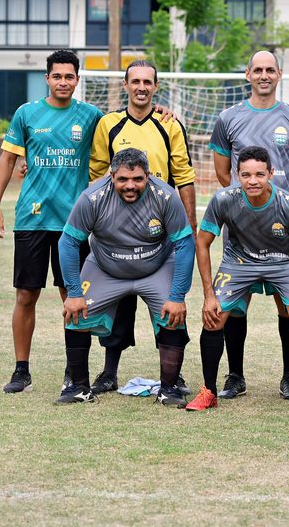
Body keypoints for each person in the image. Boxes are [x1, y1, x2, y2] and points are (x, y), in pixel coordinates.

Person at [0, 50, 102, 394]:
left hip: (74, 224)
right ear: (47, 78)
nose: (63, 82)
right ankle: (21, 370)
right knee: (26, 295)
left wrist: (162, 112)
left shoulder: (91, 116)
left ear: (77, 80)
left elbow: (122, 131)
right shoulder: (27, 114)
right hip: (32, 219)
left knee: (73, 295)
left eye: (69, 76)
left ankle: (74, 370)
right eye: (57, 76)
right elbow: (8, 160)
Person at [208, 51, 289, 401]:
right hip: (240, 230)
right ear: (248, 74)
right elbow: (223, 172)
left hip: (282, 231)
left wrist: (278, 204)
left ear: (279, 74)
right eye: (258, 70)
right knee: (234, 304)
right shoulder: (228, 118)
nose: (264, 75)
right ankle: (235, 376)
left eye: (270, 69)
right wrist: (247, 205)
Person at [85, 60, 197, 397]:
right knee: (118, 305)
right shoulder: (108, 124)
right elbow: (97, 174)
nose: (141, 87)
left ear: (156, 86)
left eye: (148, 82)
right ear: (125, 85)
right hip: (116, 232)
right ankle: (108, 373)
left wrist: (189, 223)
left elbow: (184, 175)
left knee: (167, 302)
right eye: (135, 81)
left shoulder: (169, 124)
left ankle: (173, 376)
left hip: (159, 230)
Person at [56, 148, 195, 406]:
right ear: (111, 176)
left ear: (148, 176)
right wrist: (74, 293)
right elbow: (68, 242)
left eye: (137, 179)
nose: (130, 185)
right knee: (75, 314)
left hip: (156, 266)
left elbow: (185, 244)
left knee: (173, 315)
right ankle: (78, 388)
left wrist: (177, 296)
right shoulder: (92, 198)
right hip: (105, 267)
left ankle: (169, 389)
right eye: (123, 179)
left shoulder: (165, 196)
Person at [190, 146, 289, 414]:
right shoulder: (223, 200)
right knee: (214, 317)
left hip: (285, 262)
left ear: (271, 173)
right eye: (246, 175)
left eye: (260, 174)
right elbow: (202, 243)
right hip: (239, 262)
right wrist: (208, 295)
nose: (253, 181)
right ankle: (208, 391)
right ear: (237, 175)